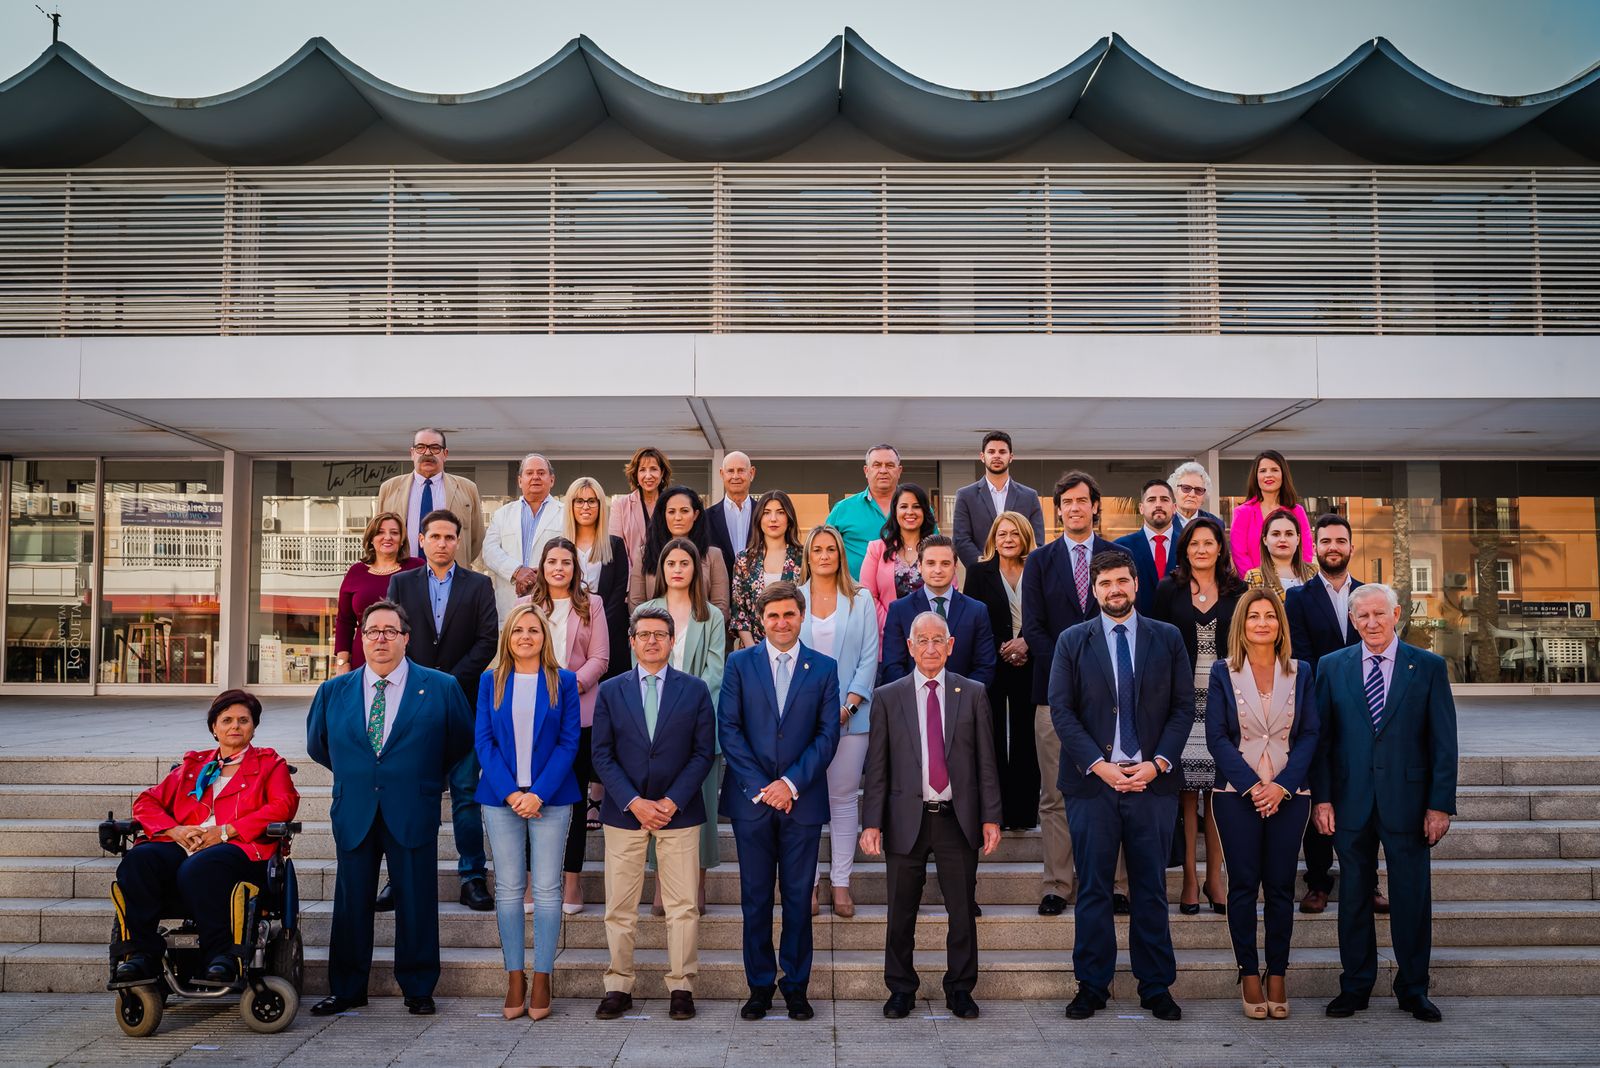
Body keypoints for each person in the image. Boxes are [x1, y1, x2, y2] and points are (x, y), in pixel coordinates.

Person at [306, 600, 473, 1017]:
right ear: (361, 639)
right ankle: (347, 989)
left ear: (406, 638)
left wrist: (421, 775)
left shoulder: (441, 686)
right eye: (372, 631)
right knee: (351, 902)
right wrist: (361, 772)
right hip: (355, 807)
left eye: (390, 631)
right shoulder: (333, 691)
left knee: (416, 900)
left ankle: (418, 987)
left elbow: (459, 741)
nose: (381, 639)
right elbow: (319, 745)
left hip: (412, 805)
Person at [1049, 551, 1194, 1023]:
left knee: (1150, 888)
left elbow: (1182, 708)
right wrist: (1099, 765)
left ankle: (1156, 987)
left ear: (1136, 584)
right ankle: (1092, 986)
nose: (1114, 590)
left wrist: (1158, 764)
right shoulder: (1073, 640)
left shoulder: (1167, 638)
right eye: (1105, 583)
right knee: (1093, 887)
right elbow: (1061, 710)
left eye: (1121, 581)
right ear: (1094, 591)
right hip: (1094, 785)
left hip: (1152, 784)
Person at [1312, 584, 1458, 1023]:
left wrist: (1439, 805)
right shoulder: (1331, 666)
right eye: (1362, 616)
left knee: (1412, 898)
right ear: (1352, 621)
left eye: (1379, 614)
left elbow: (1443, 742)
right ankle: (1355, 987)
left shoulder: (1428, 666)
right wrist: (1322, 799)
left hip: (1409, 804)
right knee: (1354, 897)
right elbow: (1322, 741)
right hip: (1350, 801)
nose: (1372, 623)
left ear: (1396, 615)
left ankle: (1414, 990)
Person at [861, 611, 1002, 1021]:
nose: (930, 648)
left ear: (950, 645)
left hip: (957, 819)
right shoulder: (888, 696)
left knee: (962, 911)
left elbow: (987, 762)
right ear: (909, 647)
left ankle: (960, 988)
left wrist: (991, 817)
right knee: (900, 912)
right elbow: (877, 766)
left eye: (938, 639)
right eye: (921, 640)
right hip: (906, 817)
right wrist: (872, 823)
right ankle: (900, 988)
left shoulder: (972, 693)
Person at [113, 690, 300, 986]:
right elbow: (147, 802)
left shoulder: (269, 764)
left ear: (253, 727)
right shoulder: (192, 766)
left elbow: (283, 805)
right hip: (185, 843)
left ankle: (222, 956)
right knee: (139, 860)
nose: (235, 726)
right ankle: (141, 955)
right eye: (227, 720)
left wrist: (226, 831)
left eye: (243, 720)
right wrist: (175, 830)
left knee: (201, 867)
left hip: (238, 848)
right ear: (214, 727)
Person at [719, 582, 840, 1022]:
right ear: (760, 620)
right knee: (754, 899)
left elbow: (827, 735)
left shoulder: (824, 668)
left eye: (789, 614)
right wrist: (764, 786)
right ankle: (759, 987)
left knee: (797, 899)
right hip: (752, 803)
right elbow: (729, 729)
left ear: (801, 616)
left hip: (801, 803)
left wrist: (789, 784)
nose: (782, 622)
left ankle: (795, 986)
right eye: (773, 615)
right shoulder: (739, 664)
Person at [590, 606, 717, 1023]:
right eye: (643, 634)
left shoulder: (695, 690)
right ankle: (618, 985)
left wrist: (672, 800)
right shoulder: (611, 690)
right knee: (619, 906)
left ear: (672, 640)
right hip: (624, 812)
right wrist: (634, 801)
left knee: (682, 906)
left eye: (659, 634)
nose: (651, 641)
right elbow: (601, 754)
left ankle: (681, 986)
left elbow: (703, 753)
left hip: (678, 812)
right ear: (631, 641)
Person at [1205, 588, 1320, 1019]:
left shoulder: (1301, 671)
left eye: (1270, 616)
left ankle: (1278, 974)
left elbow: (1310, 733)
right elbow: (1216, 736)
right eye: (1253, 616)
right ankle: (1249, 973)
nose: (1262, 623)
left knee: (1280, 887)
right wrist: (1254, 786)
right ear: (1242, 624)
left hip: (1290, 795)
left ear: (1280, 624)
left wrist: (1282, 786)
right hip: (1237, 795)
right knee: (1242, 885)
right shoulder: (1223, 672)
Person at [386, 509, 499, 913]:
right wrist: (422, 681)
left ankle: (472, 878)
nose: (442, 543)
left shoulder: (479, 585)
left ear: (458, 541)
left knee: (466, 793)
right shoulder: (401, 583)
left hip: (463, 704)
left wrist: (447, 681)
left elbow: (487, 640)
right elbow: (393, 636)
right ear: (421, 540)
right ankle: (402, 878)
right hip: (411, 707)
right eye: (434, 536)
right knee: (412, 795)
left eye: (449, 537)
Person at [1021, 471, 1122, 917]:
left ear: (1095, 506)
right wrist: (1070, 673)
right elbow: (1034, 628)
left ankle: (1115, 883)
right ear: (1058, 510)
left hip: (1112, 697)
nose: (1075, 508)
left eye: (1083, 501)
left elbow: (1124, 618)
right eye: (1067, 503)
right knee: (1054, 794)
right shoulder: (1040, 561)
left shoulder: (1117, 557)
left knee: (1114, 789)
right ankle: (1058, 884)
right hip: (1054, 696)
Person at [474, 603, 581, 1021]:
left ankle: (542, 977)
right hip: (500, 798)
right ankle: (514, 976)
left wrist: (537, 794)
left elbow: (569, 743)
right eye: (518, 630)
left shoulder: (563, 681)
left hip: (551, 798)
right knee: (508, 889)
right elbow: (484, 742)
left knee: (549, 889)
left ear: (544, 637)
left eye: (533, 630)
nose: (525, 637)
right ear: (508, 637)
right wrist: (511, 793)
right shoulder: (491, 680)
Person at [1150, 515, 1245, 914]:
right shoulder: (1168, 589)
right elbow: (1155, 644)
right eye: (1194, 544)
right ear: (1184, 550)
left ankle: (1215, 878)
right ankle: (1190, 878)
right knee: (1187, 795)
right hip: (1182, 701)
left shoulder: (1238, 590)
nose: (1201, 549)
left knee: (1219, 792)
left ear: (1220, 548)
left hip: (1225, 700)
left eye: (1208, 543)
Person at [518, 538, 611, 920]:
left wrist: (567, 687)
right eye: (552, 561)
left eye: (566, 562)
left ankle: (572, 880)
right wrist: (544, 691)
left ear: (576, 568)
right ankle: (530, 880)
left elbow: (600, 658)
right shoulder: (526, 606)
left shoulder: (593, 604)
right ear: (542, 567)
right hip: (533, 715)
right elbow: (515, 654)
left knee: (573, 801)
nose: (559, 568)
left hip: (579, 714)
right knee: (532, 796)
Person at [636, 538, 728, 912]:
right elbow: (639, 667)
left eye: (684, 563)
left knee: (700, 807)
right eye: (671, 563)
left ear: (696, 570)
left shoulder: (711, 616)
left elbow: (715, 671)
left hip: (699, 723)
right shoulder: (645, 612)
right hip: (653, 724)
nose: (677, 569)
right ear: (661, 569)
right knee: (658, 805)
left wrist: (683, 706)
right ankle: (662, 884)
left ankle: (697, 884)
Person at [1285, 513, 1369, 915]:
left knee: (1363, 797)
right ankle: (1317, 882)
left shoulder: (1369, 595)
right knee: (1320, 793)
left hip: (1367, 711)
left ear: (1351, 547)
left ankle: (1366, 882)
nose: (1332, 548)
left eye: (1340, 541)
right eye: (1325, 541)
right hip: (1317, 709)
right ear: (1314, 547)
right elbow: (1301, 656)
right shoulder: (1298, 598)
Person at [796, 524, 879, 917]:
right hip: (801, 720)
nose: (824, 556)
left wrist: (848, 707)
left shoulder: (860, 599)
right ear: (808, 556)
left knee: (844, 800)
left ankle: (841, 883)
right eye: (817, 550)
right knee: (804, 802)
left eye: (831, 549)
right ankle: (809, 884)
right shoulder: (794, 597)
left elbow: (869, 657)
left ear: (841, 554)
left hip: (851, 717)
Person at [964, 511, 1040, 830]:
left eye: (1014, 533)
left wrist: (1026, 643)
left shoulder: (1038, 568)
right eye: (1002, 534)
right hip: (992, 663)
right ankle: (996, 812)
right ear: (993, 539)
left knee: (1026, 737)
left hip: (1031, 663)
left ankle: (1023, 813)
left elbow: (1046, 614)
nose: (1008, 539)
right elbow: (972, 617)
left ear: (1025, 537)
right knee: (992, 736)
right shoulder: (978, 572)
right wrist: (1003, 647)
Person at [881, 534, 996, 687]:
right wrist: (917, 696)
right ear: (920, 566)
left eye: (945, 563)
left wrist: (962, 696)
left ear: (955, 566)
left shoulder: (977, 611)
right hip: (912, 698)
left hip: (963, 698)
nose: (938, 570)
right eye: (930, 563)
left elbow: (985, 666)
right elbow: (893, 666)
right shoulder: (899, 610)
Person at [375, 427, 486, 563]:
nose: (427, 453)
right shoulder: (389, 489)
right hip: (402, 571)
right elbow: (378, 535)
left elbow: (477, 539)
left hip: (450, 572)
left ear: (445, 454)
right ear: (412, 453)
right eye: (420, 447)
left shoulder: (467, 488)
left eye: (435, 448)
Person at [334, 512, 423, 675]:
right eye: (380, 532)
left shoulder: (417, 568)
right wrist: (342, 663)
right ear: (371, 539)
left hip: (409, 656)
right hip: (363, 657)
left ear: (402, 539)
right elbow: (345, 621)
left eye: (394, 533)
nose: (387, 537)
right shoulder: (356, 572)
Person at [628, 485, 731, 624]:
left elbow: (721, 606)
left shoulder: (713, 555)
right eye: (671, 511)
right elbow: (636, 603)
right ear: (663, 515)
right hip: (655, 633)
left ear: (695, 514)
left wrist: (697, 631)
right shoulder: (645, 553)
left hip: (702, 632)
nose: (678, 517)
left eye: (684, 511)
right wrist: (658, 631)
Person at [564, 475, 631, 678]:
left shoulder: (615, 545)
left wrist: (597, 627)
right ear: (570, 505)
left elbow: (618, 593)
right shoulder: (560, 546)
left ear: (601, 505)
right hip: (567, 633)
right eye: (579, 501)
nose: (586, 506)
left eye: (592, 501)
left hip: (608, 633)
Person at [483, 453, 564, 622]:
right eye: (529, 473)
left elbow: (571, 554)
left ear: (552, 480)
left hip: (551, 598)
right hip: (510, 601)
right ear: (520, 481)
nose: (535, 477)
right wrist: (517, 571)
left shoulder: (565, 514)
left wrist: (540, 575)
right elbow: (489, 551)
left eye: (541, 473)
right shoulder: (502, 514)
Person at [951, 431, 1046, 567]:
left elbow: (1037, 540)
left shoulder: (1029, 496)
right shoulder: (965, 495)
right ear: (982, 456)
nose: (996, 456)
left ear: (1011, 457)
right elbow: (961, 540)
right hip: (982, 572)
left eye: (1002, 452)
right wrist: (983, 567)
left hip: (1021, 573)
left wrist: (1022, 567)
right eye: (991, 452)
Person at [859, 482, 939, 634]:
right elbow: (868, 596)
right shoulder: (876, 549)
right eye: (903, 506)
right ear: (894, 511)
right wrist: (893, 626)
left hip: (931, 637)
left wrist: (928, 631)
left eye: (916, 506)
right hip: (889, 634)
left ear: (924, 511)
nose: (910, 512)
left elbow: (949, 591)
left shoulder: (938, 549)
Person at [730, 490, 804, 648]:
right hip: (753, 648)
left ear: (789, 518)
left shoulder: (803, 558)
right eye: (767, 513)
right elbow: (739, 614)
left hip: (795, 647)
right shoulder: (744, 560)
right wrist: (755, 652)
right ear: (759, 518)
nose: (773, 519)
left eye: (780, 512)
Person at [825, 443, 903, 579]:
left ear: (899, 470)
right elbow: (823, 550)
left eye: (890, 465)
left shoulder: (918, 509)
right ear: (866, 471)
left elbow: (934, 548)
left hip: (907, 590)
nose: (883, 470)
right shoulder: (843, 509)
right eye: (877, 465)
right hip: (854, 590)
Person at [1229, 449, 1312, 574]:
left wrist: (1297, 578)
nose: (1268, 475)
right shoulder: (1242, 512)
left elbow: (1306, 550)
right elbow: (1239, 554)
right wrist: (1257, 580)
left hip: (1293, 580)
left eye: (1274, 470)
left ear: (1283, 474)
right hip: (1255, 582)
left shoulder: (1297, 511)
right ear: (1256, 476)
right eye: (1263, 471)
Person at [1113, 479, 1181, 616]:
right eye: (1151, 500)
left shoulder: (1188, 545)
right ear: (1141, 508)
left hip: (1180, 626)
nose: (1158, 504)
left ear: (1174, 508)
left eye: (1164, 499)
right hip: (1138, 625)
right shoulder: (1121, 547)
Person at [610, 446, 671, 570]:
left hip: (668, 575)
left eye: (653, 469)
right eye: (642, 470)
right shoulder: (620, 505)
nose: (648, 476)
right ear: (636, 474)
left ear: (662, 472)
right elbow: (615, 549)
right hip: (631, 577)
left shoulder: (672, 503)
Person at [1244, 508, 1317, 601]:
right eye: (1276, 534)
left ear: (1298, 539)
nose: (1283, 539)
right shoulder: (1255, 577)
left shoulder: (1314, 572)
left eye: (1289, 534)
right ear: (1265, 539)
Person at [707, 451, 757, 568]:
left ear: (751, 473)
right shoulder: (706, 518)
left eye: (741, 470)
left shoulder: (763, 513)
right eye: (730, 471)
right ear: (722, 474)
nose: (735, 476)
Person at [1168, 461, 1222, 528]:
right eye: (1186, 488)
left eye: (1198, 490)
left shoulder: (1215, 524)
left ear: (1204, 496)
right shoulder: (1163, 520)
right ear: (1174, 491)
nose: (1192, 494)